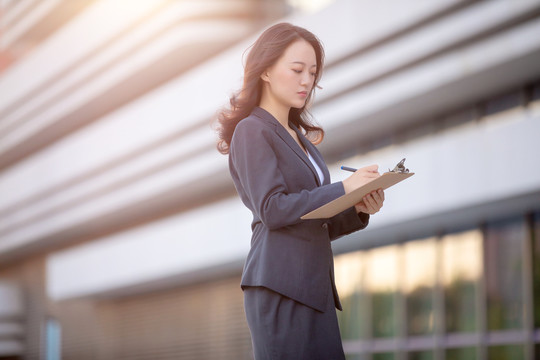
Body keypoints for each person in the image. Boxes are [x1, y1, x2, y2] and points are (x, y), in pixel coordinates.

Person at [215, 22, 385, 359]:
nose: (307, 81)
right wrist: (342, 188)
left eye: (312, 72)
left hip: (314, 288)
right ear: (265, 70)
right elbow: (274, 210)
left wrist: (357, 208)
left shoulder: (301, 140)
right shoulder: (252, 130)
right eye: (297, 70)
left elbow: (311, 222)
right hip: (280, 287)